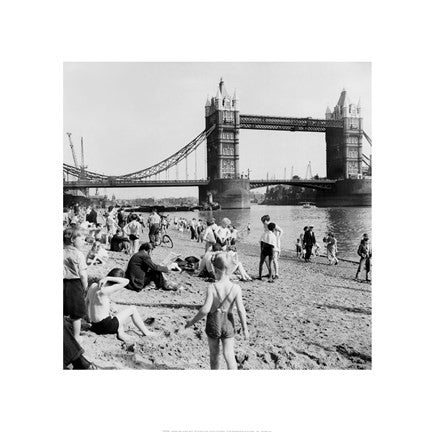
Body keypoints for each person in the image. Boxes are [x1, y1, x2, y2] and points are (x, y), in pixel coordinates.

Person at [185, 251, 249, 370]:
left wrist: (192, 322)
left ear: (216, 270)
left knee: (214, 354)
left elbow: (205, 310)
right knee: (229, 354)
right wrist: (245, 328)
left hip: (213, 321)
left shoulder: (212, 287)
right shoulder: (236, 288)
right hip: (228, 322)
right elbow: (241, 310)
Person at [86, 268, 154, 342]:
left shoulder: (93, 286)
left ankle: (121, 333)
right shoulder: (105, 290)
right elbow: (126, 281)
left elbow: (86, 302)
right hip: (105, 326)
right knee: (132, 309)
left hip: (94, 326)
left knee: (115, 315)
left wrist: (88, 318)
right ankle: (147, 333)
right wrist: (108, 278)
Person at [63, 228, 88, 342]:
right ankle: (76, 336)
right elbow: (83, 274)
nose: (84, 241)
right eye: (82, 239)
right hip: (75, 283)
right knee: (76, 314)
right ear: (73, 239)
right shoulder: (79, 254)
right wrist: (85, 286)